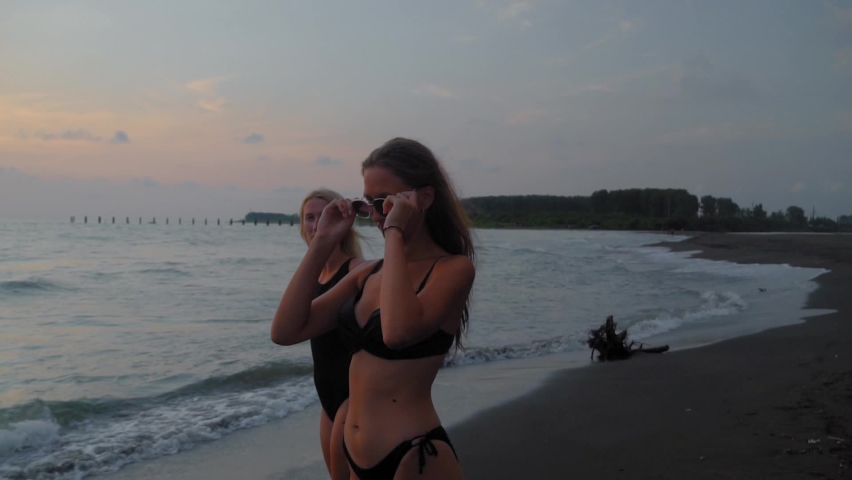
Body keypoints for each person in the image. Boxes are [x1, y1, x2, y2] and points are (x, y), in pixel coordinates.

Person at [272, 138, 475, 479]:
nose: (378, 216)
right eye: (370, 204)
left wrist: (395, 231)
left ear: (424, 198)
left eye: (385, 202)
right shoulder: (369, 273)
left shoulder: (452, 270)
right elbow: (286, 331)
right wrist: (321, 242)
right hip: (354, 456)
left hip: (414, 456)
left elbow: (396, 332)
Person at [292, 188, 366, 479]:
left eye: (323, 216)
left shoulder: (357, 271)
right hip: (328, 402)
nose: (315, 225)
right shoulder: (313, 277)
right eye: (309, 217)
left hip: (354, 400)